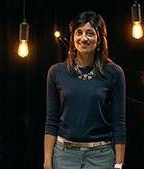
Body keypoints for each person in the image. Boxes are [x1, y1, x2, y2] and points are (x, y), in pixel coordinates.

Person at [44, 11, 126, 169]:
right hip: (64, 156)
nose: (84, 38)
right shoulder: (56, 72)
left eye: (90, 33)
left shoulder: (114, 73)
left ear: (99, 38)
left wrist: (119, 165)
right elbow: (51, 122)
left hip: (101, 157)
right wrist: (48, 162)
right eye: (79, 33)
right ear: (73, 38)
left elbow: (119, 123)